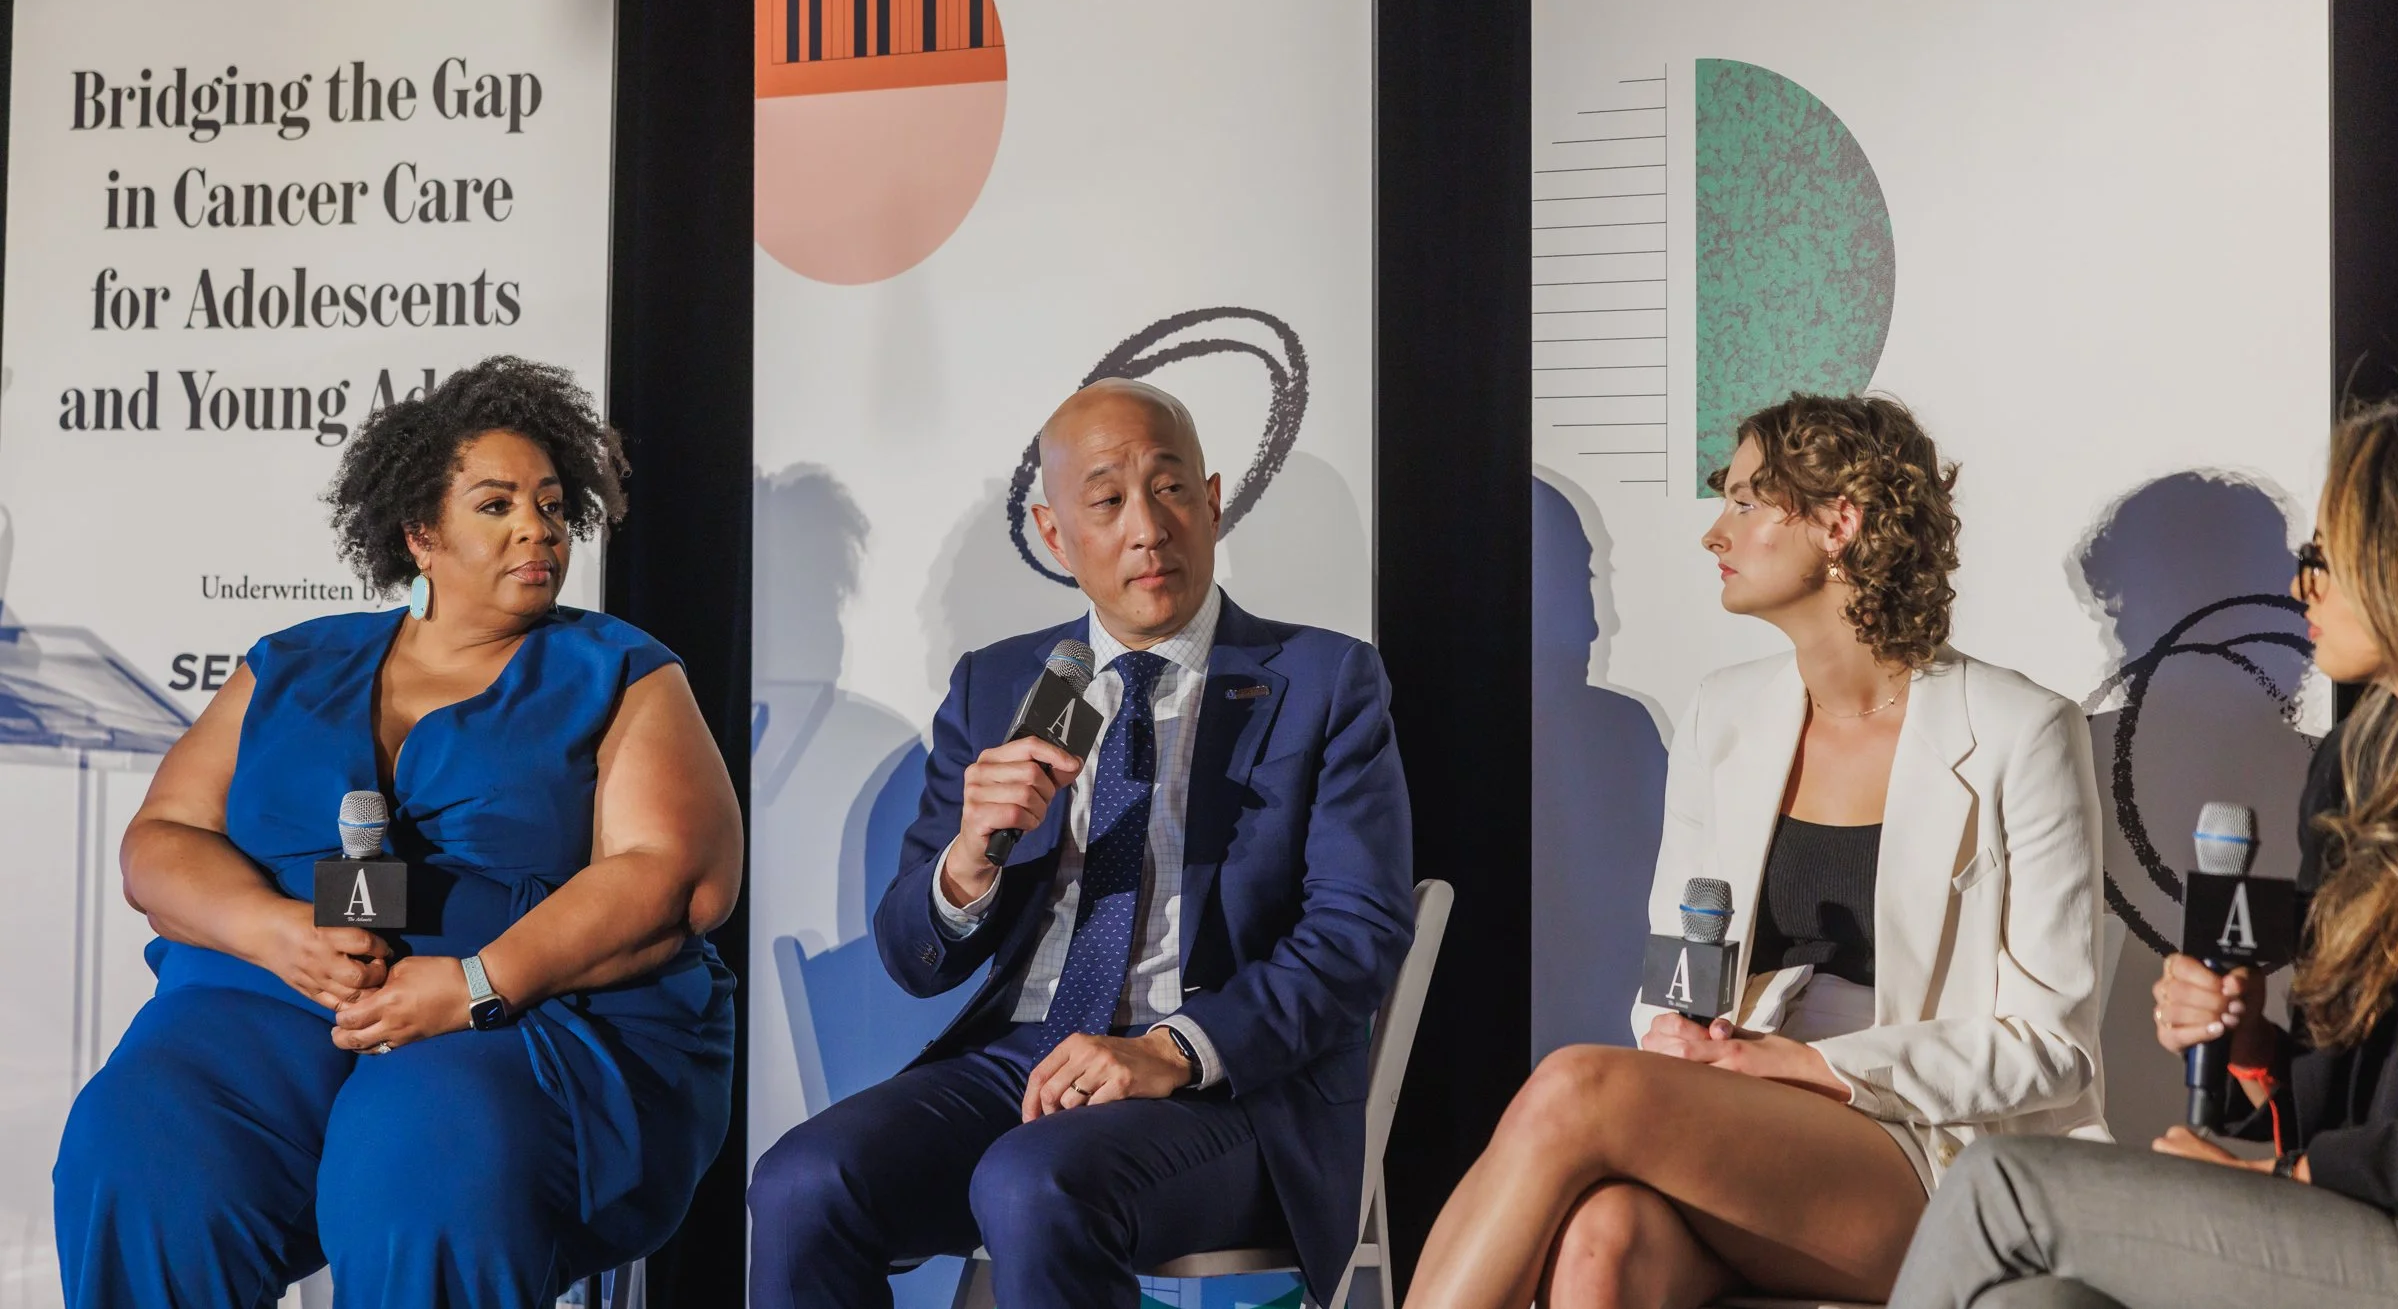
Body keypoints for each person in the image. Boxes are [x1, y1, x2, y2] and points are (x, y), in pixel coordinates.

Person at [52, 357, 744, 1309]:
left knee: (419, 1148)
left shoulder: (617, 669)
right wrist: (277, 933)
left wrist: (475, 984)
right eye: (496, 504)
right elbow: (162, 838)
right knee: (139, 1140)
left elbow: (675, 876)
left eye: (549, 503)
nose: (537, 527)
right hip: (280, 988)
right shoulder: (291, 663)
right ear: (422, 534)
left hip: (531, 1012)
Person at [1408, 393, 2107, 1309]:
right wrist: (1679, 1035)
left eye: (1743, 501)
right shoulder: (1722, 715)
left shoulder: (2022, 729)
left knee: (1577, 1085)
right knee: (1599, 1242)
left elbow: (2053, 1049)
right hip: (1742, 1126)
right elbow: (1673, 972)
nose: (1714, 533)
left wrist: (1822, 1068)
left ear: (1838, 523)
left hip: (1924, 1153)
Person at [746, 377, 1416, 1309]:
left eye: (1171, 488)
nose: (1148, 526)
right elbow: (913, 954)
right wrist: (971, 856)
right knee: (799, 1186)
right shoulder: (1000, 684)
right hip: (1028, 1061)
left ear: (1214, 502)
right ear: (1055, 535)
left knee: (1030, 1182)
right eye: (1107, 499)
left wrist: (1173, 1050)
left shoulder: (1322, 679)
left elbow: (1357, 936)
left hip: (1229, 1087)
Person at [1889, 401, 2398, 1309]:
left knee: (1999, 1185)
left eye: (2322, 558)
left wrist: (2280, 1185)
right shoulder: (2354, 766)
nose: (2298, 591)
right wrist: (2248, 1047)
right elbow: (2346, 1091)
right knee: (2031, 1304)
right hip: (2348, 1220)